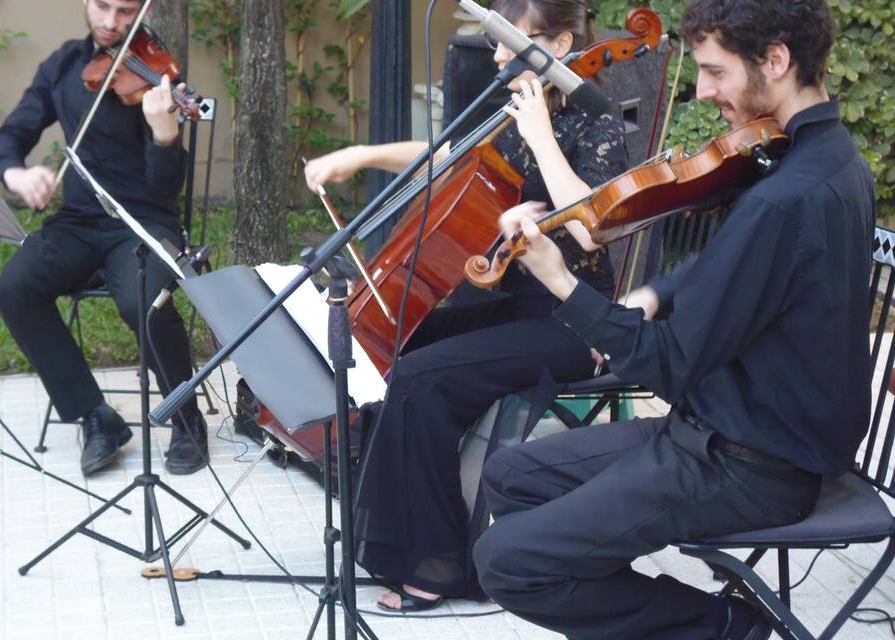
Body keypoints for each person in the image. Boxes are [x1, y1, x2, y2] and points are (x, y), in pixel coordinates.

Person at [473, 0, 877, 638]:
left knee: (507, 562)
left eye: (715, 72)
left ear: (776, 60)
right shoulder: (828, 160)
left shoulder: (784, 197)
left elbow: (666, 364)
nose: (704, 90)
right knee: (509, 475)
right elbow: (741, 266)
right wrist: (656, 292)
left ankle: (723, 628)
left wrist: (558, 280)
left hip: (748, 462)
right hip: (734, 429)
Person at [305, 0, 629, 612]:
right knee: (398, 347)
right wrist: (362, 156)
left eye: (511, 41)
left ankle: (441, 562)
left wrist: (540, 137)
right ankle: (391, 544)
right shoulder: (512, 108)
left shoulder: (596, 119)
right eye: (497, 42)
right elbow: (446, 156)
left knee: (420, 380)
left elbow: (593, 230)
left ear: (559, 45)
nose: (499, 55)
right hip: (515, 300)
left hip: (574, 319)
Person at [0, 0, 209, 477]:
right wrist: (16, 173)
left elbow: (164, 190)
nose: (111, 23)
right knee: (14, 289)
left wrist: (166, 134)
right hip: (78, 219)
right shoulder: (66, 64)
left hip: (142, 220)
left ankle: (186, 417)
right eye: (102, 6)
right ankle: (96, 416)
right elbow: (10, 136)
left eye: (127, 11)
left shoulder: (156, 73)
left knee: (144, 301)